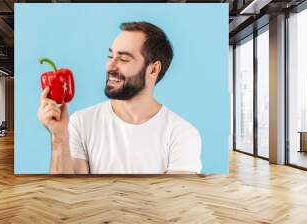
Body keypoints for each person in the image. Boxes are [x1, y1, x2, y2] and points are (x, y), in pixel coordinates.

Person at [38, 21, 202, 174]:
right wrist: (59, 139)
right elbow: (67, 194)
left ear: (153, 70)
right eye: (110, 56)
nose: (109, 66)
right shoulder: (81, 122)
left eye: (123, 59)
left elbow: (176, 198)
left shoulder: (181, 134)